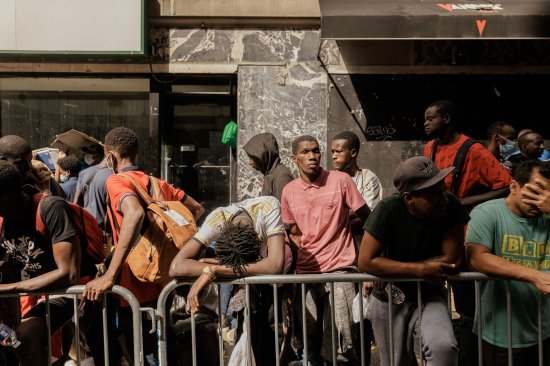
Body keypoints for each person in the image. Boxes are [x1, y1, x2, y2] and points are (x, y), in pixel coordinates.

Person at [81, 127, 205, 365]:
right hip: (163, 279)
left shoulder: (115, 180)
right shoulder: (158, 184)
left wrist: (110, 274)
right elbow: (197, 209)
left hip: (133, 282)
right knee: (158, 345)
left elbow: (135, 213)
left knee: (141, 348)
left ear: (110, 156)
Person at [423, 100, 512, 365]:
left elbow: (505, 186)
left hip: (465, 235)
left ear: (447, 118)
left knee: (468, 304)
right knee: (434, 297)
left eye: (431, 118)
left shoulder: (474, 150)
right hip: (435, 234)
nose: (426, 123)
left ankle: (473, 357)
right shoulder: (430, 148)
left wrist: (465, 202)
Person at [359, 156, 469, 366]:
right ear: (409, 198)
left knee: (444, 347)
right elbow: (365, 262)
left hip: (429, 295)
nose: (443, 198)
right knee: (394, 361)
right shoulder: (388, 209)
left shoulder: (450, 205)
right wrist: (421, 269)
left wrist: (390, 267)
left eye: (442, 189)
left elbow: (452, 259)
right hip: (389, 296)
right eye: (433, 194)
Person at [280, 135, 370, 365]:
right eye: (306, 152)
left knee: (343, 339)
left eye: (316, 150)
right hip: (306, 273)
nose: (313, 156)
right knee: (309, 339)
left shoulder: (340, 180)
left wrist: (368, 264)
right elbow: (292, 232)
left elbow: (369, 220)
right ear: (294, 158)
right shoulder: (289, 191)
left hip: (341, 269)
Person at [170, 196, 290, 366]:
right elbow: (176, 266)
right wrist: (212, 269)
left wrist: (216, 270)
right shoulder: (218, 219)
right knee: (245, 344)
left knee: (269, 347)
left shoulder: (268, 206)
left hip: (268, 287)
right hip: (249, 285)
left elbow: (275, 264)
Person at [465, 160, 550, 365]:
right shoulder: (487, 212)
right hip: (499, 333)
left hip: (544, 330)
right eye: (536, 191)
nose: (541, 199)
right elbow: (477, 258)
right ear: (513, 186)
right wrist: (534, 275)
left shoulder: (546, 217)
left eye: (548, 194)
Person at [0, 161, 80, 366]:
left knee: (24, 336)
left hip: (62, 291)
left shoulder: (51, 208)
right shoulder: (2, 220)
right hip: (23, 296)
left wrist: (8, 288)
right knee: (12, 341)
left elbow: (68, 272)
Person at [331, 130, 382, 365]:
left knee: (361, 317)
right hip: (336, 257)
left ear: (352, 153)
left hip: (361, 254)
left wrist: (336, 217)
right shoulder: (330, 179)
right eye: (332, 151)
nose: (333, 156)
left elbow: (367, 216)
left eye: (338, 151)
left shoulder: (368, 178)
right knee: (339, 319)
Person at [0, 135, 65, 198]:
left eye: (30, 160)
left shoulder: (45, 180)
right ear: (3, 161)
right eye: (20, 164)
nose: (28, 167)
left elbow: (60, 205)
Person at [242, 132, 294, 201]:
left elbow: (283, 209)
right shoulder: (271, 174)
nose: (250, 162)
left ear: (264, 155)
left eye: (253, 158)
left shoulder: (281, 178)